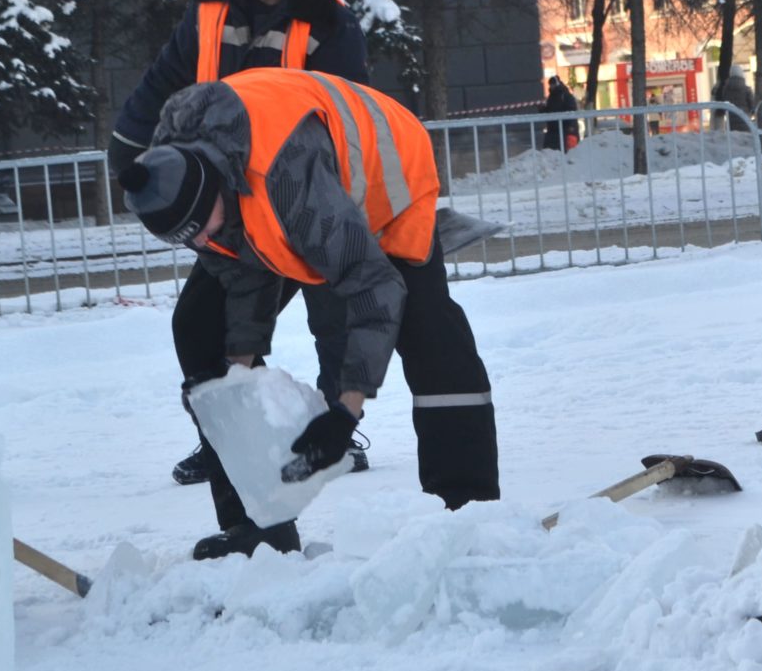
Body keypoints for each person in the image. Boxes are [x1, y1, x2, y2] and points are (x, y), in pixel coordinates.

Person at [119, 66, 500, 560]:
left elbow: (373, 289)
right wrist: (230, 380)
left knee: (431, 334)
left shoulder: (290, 182)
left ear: (216, 187)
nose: (203, 243)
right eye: (190, 239)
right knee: (199, 326)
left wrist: (344, 413)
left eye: (203, 230)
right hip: (273, 173)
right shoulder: (175, 174)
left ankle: (467, 510)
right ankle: (258, 526)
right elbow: (240, 274)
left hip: (384, 176)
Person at [110, 0, 374, 486]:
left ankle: (339, 435)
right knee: (199, 323)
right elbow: (163, 80)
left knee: (332, 317)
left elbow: (350, 108)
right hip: (233, 206)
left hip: (309, 200)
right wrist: (126, 143)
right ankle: (227, 438)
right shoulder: (208, 13)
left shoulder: (328, 18)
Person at [539, 75, 579, 151]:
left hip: (564, 131)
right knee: (550, 153)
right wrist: (542, 109)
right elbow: (549, 111)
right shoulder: (551, 97)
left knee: (566, 152)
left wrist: (569, 126)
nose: (551, 86)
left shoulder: (565, 96)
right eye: (550, 84)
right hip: (553, 131)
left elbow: (571, 111)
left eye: (553, 84)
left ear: (557, 84)